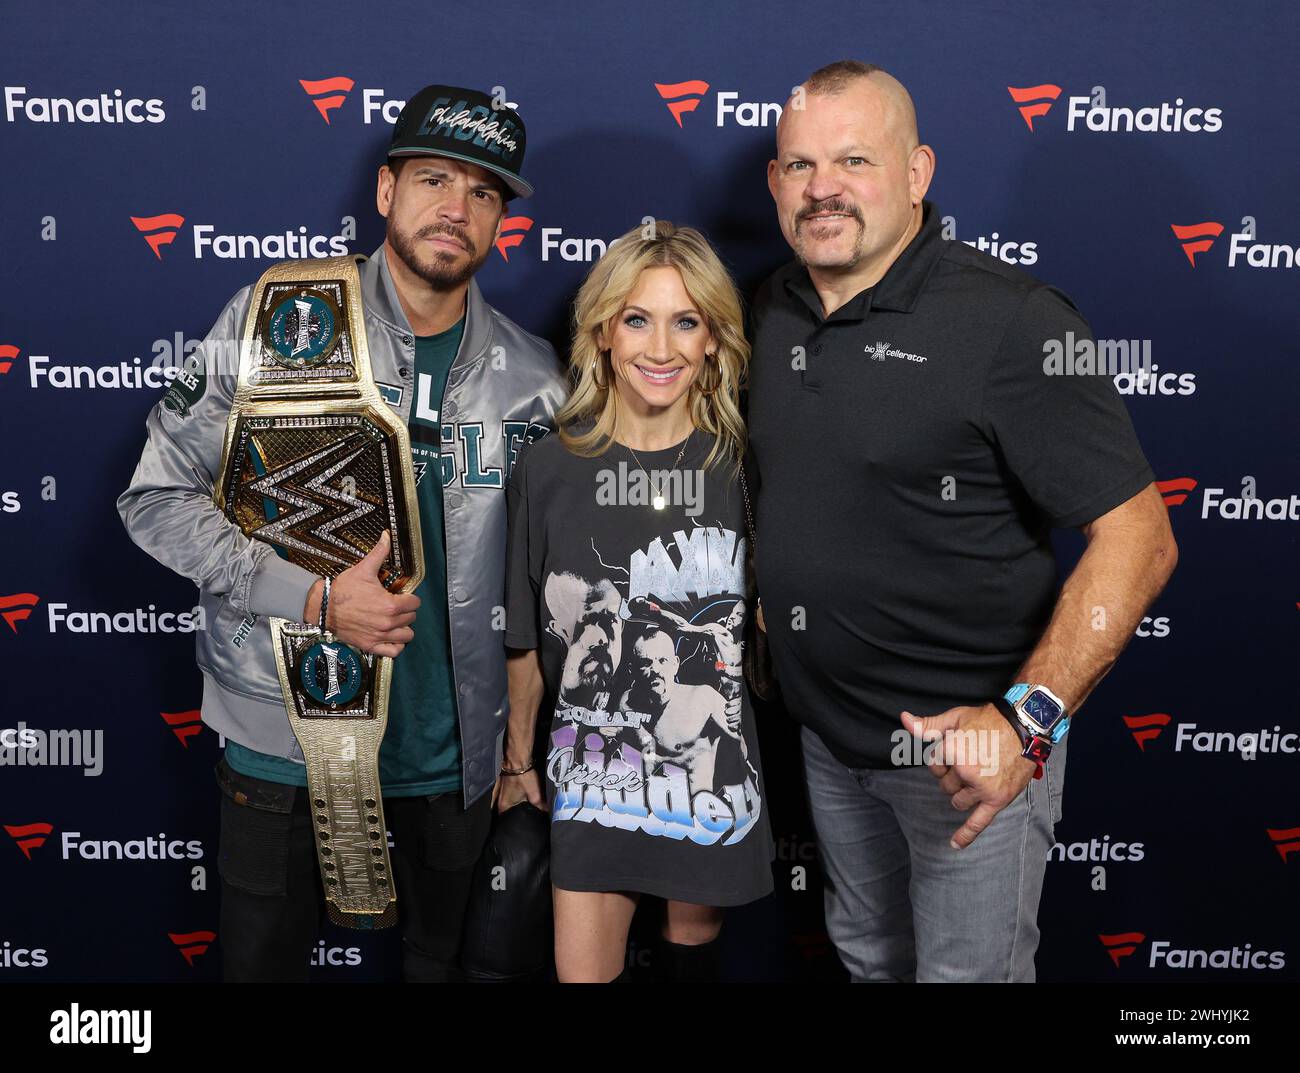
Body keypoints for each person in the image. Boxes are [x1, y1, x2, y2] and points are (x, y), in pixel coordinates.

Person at [117, 83, 567, 982]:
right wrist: (313, 598)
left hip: (455, 755)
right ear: (387, 191)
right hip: (281, 733)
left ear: (502, 222)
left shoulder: (534, 378)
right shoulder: (273, 319)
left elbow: (539, 585)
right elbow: (156, 496)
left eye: (485, 193)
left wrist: (518, 752)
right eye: (435, 179)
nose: (458, 208)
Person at [746, 61, 1178, 982]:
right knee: (870, 959)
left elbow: (1141, 537)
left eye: (854, 159)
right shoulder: (768, 311)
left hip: (961, 759)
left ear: (918, 173)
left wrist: (1027, 729)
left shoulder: (1011, 322)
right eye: (799, 165)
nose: (822, 187)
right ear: (776, 182)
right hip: (828, 740)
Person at [501, 221, 774, 983]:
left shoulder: (741, 467)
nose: (662, 348)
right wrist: (519, 756)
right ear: (602, 333)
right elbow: (522, 631)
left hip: (708, 779)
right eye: (638, 319)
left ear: (714, 339)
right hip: (590, 775)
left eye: (686, 321)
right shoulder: (550, 467)